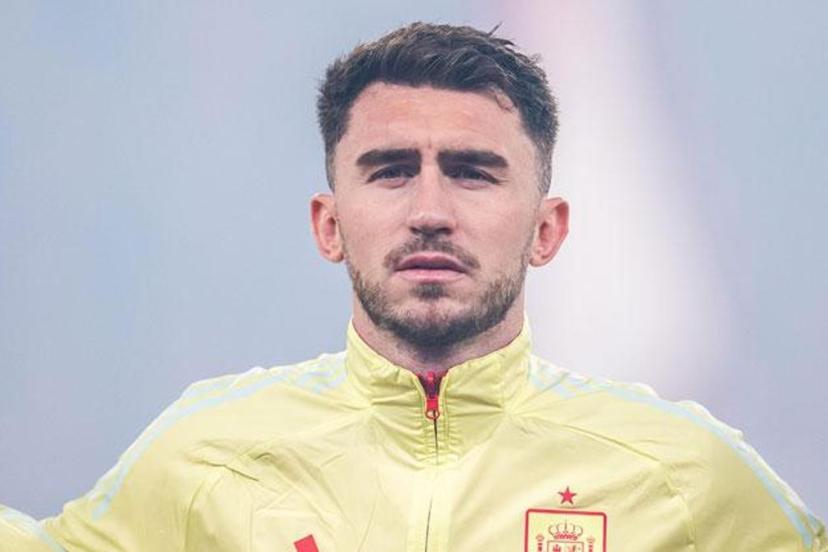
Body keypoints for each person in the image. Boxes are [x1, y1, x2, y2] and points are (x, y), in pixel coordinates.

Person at [1, 21, 824, 552]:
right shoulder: (206, 458)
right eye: (391, 171)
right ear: (329, 224)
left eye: (472, 172)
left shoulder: (681, 473)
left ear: (547, 230)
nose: (430, 212)